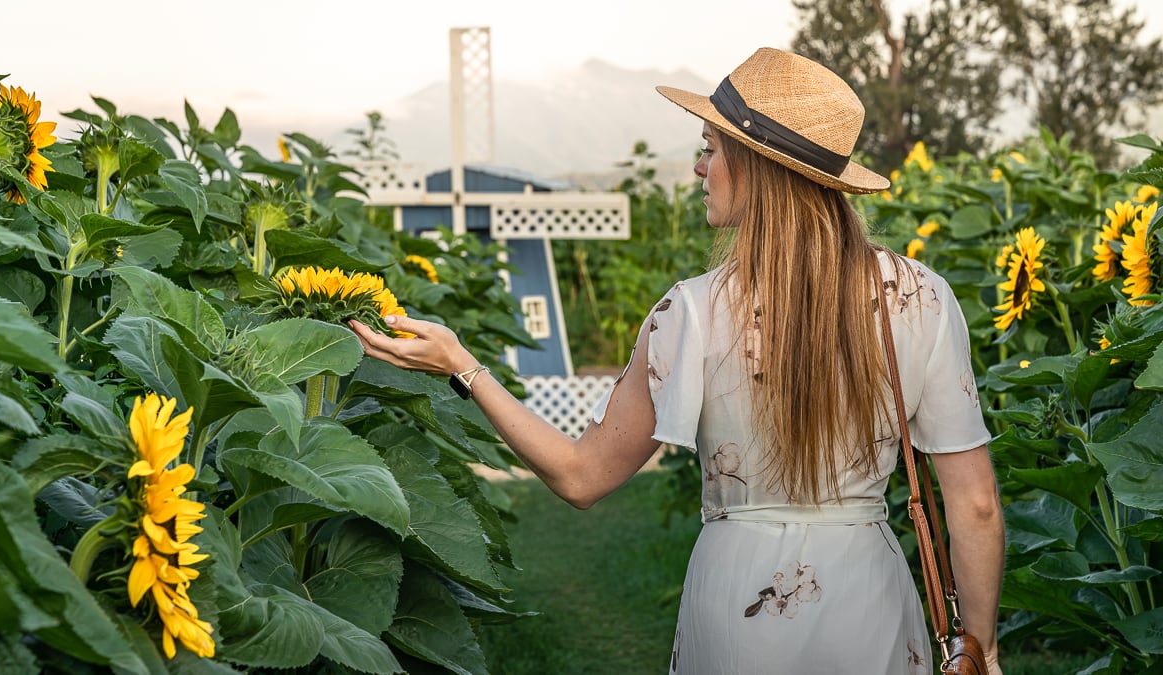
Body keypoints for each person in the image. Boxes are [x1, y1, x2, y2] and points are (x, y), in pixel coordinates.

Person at [350, 47, 1005, 675]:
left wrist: (465, 367)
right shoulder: (921, 299)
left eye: (710, 150)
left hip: (737, 606)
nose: (699, 169)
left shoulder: (689, 314)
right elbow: (974, 504)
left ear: (759, 165)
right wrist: (985, 649)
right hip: (868, 599)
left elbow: (581, 476)